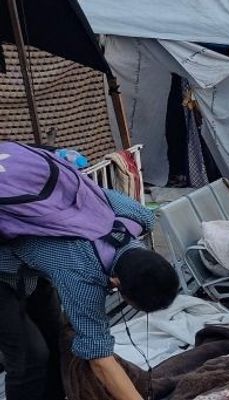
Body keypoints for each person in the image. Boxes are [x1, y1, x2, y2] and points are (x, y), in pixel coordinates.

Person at [0, 141, 181, 400]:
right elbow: (100, 360)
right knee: (30, 357)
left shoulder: (138, 217)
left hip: (25, 257)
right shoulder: (82, 275)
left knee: (56, 339)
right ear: (116, 283)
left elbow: (95, 194)